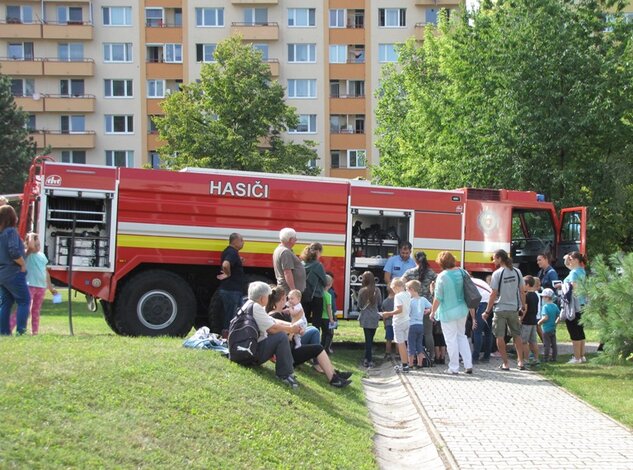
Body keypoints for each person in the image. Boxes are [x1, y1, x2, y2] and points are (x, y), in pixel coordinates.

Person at [266, 285, 352, 388]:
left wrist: (299, 330)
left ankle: (334, 374)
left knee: (315, 336)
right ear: (282, 299)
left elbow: (291, 332)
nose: (288, 301)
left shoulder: (280, 314)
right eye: (286, 298)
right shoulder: (275, 316)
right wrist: (296, 320)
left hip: (291, 350)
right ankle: (333, 378)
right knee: (318, 348)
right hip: (289, 355)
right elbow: (287, 337)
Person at [244, 282, 303, 388]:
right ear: (262, 298)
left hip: (245, 351)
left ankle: (287, 372)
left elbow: (273, 321)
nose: (269, 298)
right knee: (281, 336)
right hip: (250, 355)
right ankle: (284, 374)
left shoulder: (248, 304)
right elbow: (272, 329)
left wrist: (293, 326)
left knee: (280, 333)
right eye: (267, 296)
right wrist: (290, 329)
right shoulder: (256, 308)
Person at [429, 252, 474, 375]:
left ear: (441, 263)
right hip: (462, 310)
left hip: (448, 312)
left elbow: (438, 297)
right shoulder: (462, 272)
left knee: (451, 340)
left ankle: (453, 368)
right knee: (462, 336)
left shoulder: (442, 276)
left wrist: (433, 312)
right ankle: (468, 365)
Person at [483, 249, 526, 371]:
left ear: (500, 259)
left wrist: (487, 311)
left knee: (499, 336)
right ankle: (520, 362)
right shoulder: (517, 272)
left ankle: (506, 364)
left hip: (500, 309)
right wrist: (523, 305)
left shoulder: (497, 273)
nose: (493, 260)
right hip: (514, 309)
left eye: (494, 258)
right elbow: (522, 291)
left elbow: (493, 294)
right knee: (517, 335)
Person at [9, 232, 57, 335]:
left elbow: (45, 272)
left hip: (41, 287)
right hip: (29, 285)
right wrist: (31, 236)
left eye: (39, 245)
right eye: (36, 245)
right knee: (24, 309)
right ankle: (10, 328)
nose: (37, 247)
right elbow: (31, 247)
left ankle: (35, 332)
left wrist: (50, 287)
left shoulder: (42, 255)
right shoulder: (27, 254)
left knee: (36, 311)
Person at [0, 205, 31, 336]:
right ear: (12, 217)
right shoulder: (11, 231)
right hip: (13, 271)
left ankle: (3, 332)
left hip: (2, 272)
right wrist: (23, 264)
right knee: (24, 301)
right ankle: (21, 331)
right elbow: (13, 251)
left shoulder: (1, 233)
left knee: (6, 303)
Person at [403, 251, 437, 361]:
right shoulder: (431, 273)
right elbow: (438, 286)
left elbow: (400, 283)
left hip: (413, 307)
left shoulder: (409, 272)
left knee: (412, 334)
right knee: (428, 333)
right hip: (427, 306)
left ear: (415, 260)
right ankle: (431, 356)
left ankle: (412, 358)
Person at [216, 232, 245, 337]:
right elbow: (226, 264)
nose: (243, 242)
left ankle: (232, 335)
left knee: (235, 313)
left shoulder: (231, 252)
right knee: (231, 315)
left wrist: (238, 261)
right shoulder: (232, 252)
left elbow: (229, 263)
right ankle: (227, 336)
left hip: (231, 290)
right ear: (235, 241)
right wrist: (228, 274)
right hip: (232, 290)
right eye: (241, 240)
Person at [381, 277, 410, 373]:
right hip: (407, 320)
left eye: (393, 289)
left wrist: (387, 314)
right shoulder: (408, 294)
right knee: (406, 343)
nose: (393, 291)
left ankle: (404, 364)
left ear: (396, 287)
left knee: (400, 343)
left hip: (399, 322)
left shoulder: (398, 296)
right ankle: (407, 363)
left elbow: (399, 310)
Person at [563, 251, 588, 364]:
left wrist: (563, 286)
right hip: (582, 304)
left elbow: (573, 287)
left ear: (576, 260)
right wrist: (566, 257)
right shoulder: (581, 271)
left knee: (574, 331)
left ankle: (576, 358)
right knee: (580, 330)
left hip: (574, 305)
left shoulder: (573, 273)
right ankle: (582, 356)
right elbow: (567, 265)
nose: (569, 261)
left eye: (571, 259)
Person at [357, 271, 383, 368]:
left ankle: (367, 359)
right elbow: (380, 303)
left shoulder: (362, 291)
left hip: (365, 317)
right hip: (374, 317)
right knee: (370, 339)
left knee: (367, 339)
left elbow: (359, 305)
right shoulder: (377, 290)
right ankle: (368, 359)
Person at [406, 280, 432, 369]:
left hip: (412, 325)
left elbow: (408, 313)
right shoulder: (423, 299)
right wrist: (428, 311)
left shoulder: (410, 301)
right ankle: (420, 363)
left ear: (411, 289)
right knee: (419, 344)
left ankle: (410, 364)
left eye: (407, 290)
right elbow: (431, 307)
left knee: (411, 344)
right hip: (420, 325)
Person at [273, 227, 306, 294]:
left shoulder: (281, 249)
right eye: (295, 238)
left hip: (287, 290)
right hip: (288, 292)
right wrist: (293, 291)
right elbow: (287, 272)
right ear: (290, 239)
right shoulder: (285, 252)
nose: (296, 239)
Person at [301, 242, 327, 327]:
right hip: (316, 296)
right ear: (318, 252)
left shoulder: (302, 264)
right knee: (316, 321)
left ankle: (303, 338)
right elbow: (325, 281)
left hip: (304, 295)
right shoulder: (318, 265)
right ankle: (314, 338)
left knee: (304, 319)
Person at [471, 274, 493, 363]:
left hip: (483, 304)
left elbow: (470, 303)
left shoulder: (467, 284)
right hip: (491, 303)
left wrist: (473, 319)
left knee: (477, 331)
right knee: (488, 332)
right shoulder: (476, 280)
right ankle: (486, 357)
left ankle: (475, 358)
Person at [521, 275, 540, 366]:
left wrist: (520, 319)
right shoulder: (535, 295)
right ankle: (536, 358)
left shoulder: (526, 295)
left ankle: (526, 359)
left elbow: (525, 309)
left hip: (527, 321)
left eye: (523, 284)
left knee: (524, 342)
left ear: (528, 285)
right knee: (533, 341)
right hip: (533, 321)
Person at [538, 288, 559, 362]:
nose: (542, 298)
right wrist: (556, 322)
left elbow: (545, 317)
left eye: (543, 297)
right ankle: (554, 358)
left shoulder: (545, 307)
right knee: (554, 344)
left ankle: (545, 358)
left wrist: (539, 322)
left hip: (546, 329)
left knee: (546, 344)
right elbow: (558, 316)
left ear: (547, 297)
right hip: (553, 328)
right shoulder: (555, 306)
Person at [320, 275, 335, 353]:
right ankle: (327, 348)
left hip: (321, 317)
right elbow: (329, 308)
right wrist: (331, 319)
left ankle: (322, 347)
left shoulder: (320, 294)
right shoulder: (328, 295)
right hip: (327, 318)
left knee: (323, 333)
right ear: (330, 285)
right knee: (330, 333)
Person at [381, 287, 395, 359]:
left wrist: (384, 324)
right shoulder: (397, 301)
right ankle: (398, 354)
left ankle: (387, 353)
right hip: (396, 322)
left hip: (388, 323)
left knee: (388, 339)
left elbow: (383, 315)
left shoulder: (385, 302)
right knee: (398, 340)